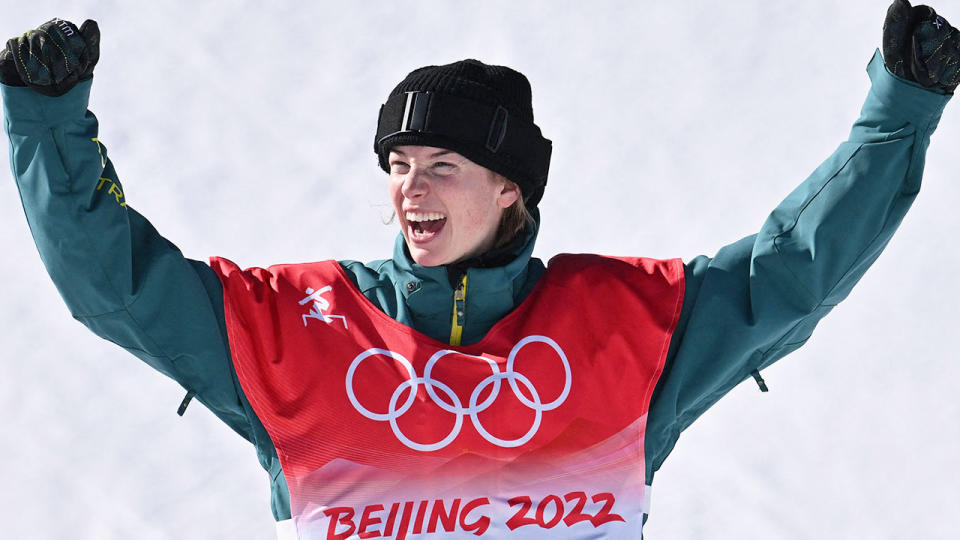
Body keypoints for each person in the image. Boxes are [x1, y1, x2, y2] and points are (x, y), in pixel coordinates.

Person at [1, 1, 956, 538]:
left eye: (442, 167)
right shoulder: (301, 331)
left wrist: (900, 111)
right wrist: (48, 124)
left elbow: (794, 272)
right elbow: (115, 283)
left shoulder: (626, 330)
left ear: (510, 191)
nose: (410, 188)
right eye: (398, 165)